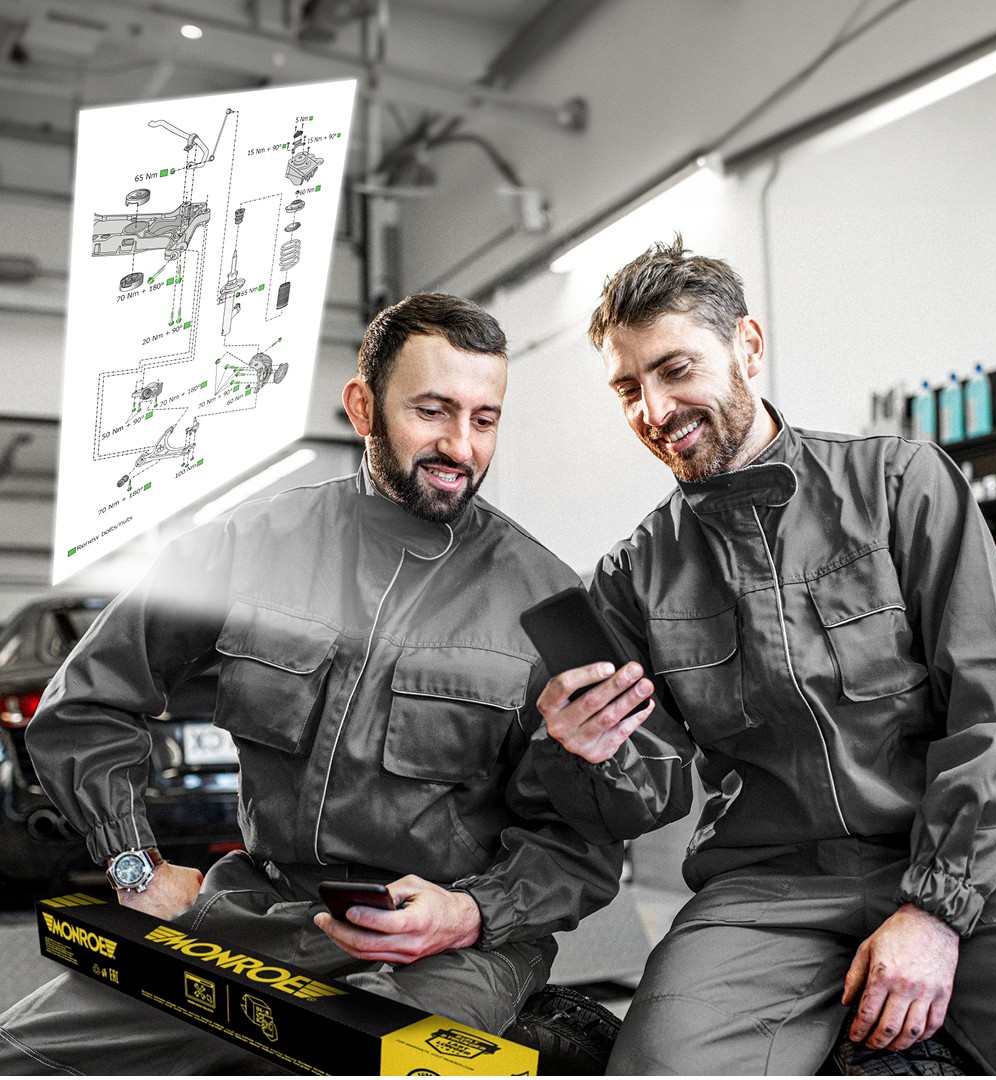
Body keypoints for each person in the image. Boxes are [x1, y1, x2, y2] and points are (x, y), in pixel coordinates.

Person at [0, 292, 622, 1075]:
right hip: (255, 913)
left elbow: (589, 838)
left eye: (484, 418)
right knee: (19, 1058)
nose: (460, 446)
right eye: (433, 411)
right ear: (362, 405)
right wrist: (133, 860)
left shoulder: (547, 605)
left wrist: (471, 913)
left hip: (443, 949)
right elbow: (87, 700)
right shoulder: (250, 546)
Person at [531, 237, 996, 1074]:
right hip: (763, 896)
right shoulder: (630, 577)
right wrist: (586, 751)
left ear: (748, 345)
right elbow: (648, 792)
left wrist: (936, 912)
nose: (654, 408)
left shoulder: (900, 485)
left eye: (675, 369)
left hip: (962, 865)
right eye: (628, 388)